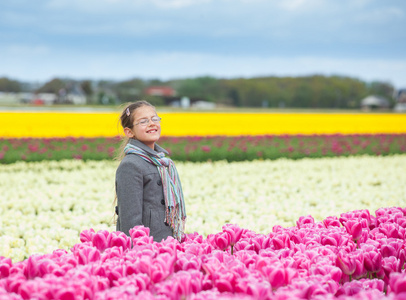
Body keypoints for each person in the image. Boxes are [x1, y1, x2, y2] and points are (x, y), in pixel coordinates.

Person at [114, 100, 186, 242]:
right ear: (129, 132)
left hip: (167, 246)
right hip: (147, 250)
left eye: (154, 119)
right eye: (143, 121)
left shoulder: (162, 162)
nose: (152, 123)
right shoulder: (130, 165)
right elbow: (130, 223)